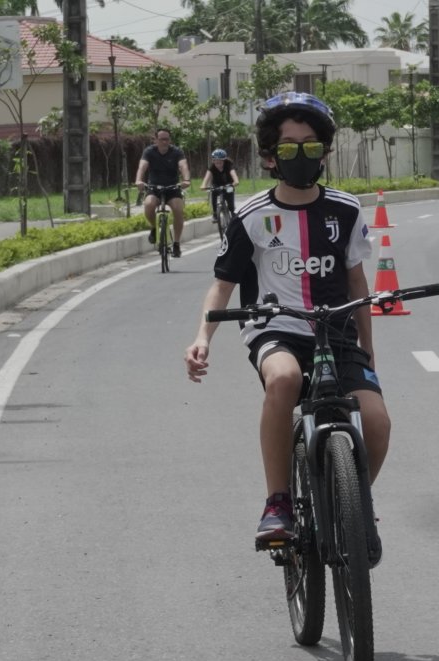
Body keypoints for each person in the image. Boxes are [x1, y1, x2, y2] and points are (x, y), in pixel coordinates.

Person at [184, 92, 386, 555]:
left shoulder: (346, 210)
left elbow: (358, 284)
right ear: (271, 156)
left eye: (311, 145)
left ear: (326, 151)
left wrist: (368, 350)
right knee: (285, 380)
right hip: (275, 328)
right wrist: (202, 337)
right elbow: (223, 283)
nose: (301, 156)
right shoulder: (252, 216)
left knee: (376, 422)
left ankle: (355, 503)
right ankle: (278, 502)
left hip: (335, 331)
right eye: (289, 147)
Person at [135, 128, 192, 257]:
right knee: (149, 204)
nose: (164, 142)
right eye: (161, 139)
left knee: (178, 209)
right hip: (154, 187)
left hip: (172, 187)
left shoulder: (177, 151)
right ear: (156, 140)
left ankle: (176, 243)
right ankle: (154, 228)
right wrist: (139, 180)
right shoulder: (149, 151)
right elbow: (142, 167)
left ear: (170, 140)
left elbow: (183, 166)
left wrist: (186, 179)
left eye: (167, 139)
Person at [200, 148, 240, 222]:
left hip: (228, 185)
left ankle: (233, 215)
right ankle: (215, 214)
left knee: (231, 204)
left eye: (220, 162)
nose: (218, 165)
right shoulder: (212, 168)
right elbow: (206, 179)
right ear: (213, 161)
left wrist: (234, 183)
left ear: (224, 161)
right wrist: (203, 186)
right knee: (214, 193)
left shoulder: (229, 166)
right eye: (216, 162)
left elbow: (235, 179)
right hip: (217, 185)